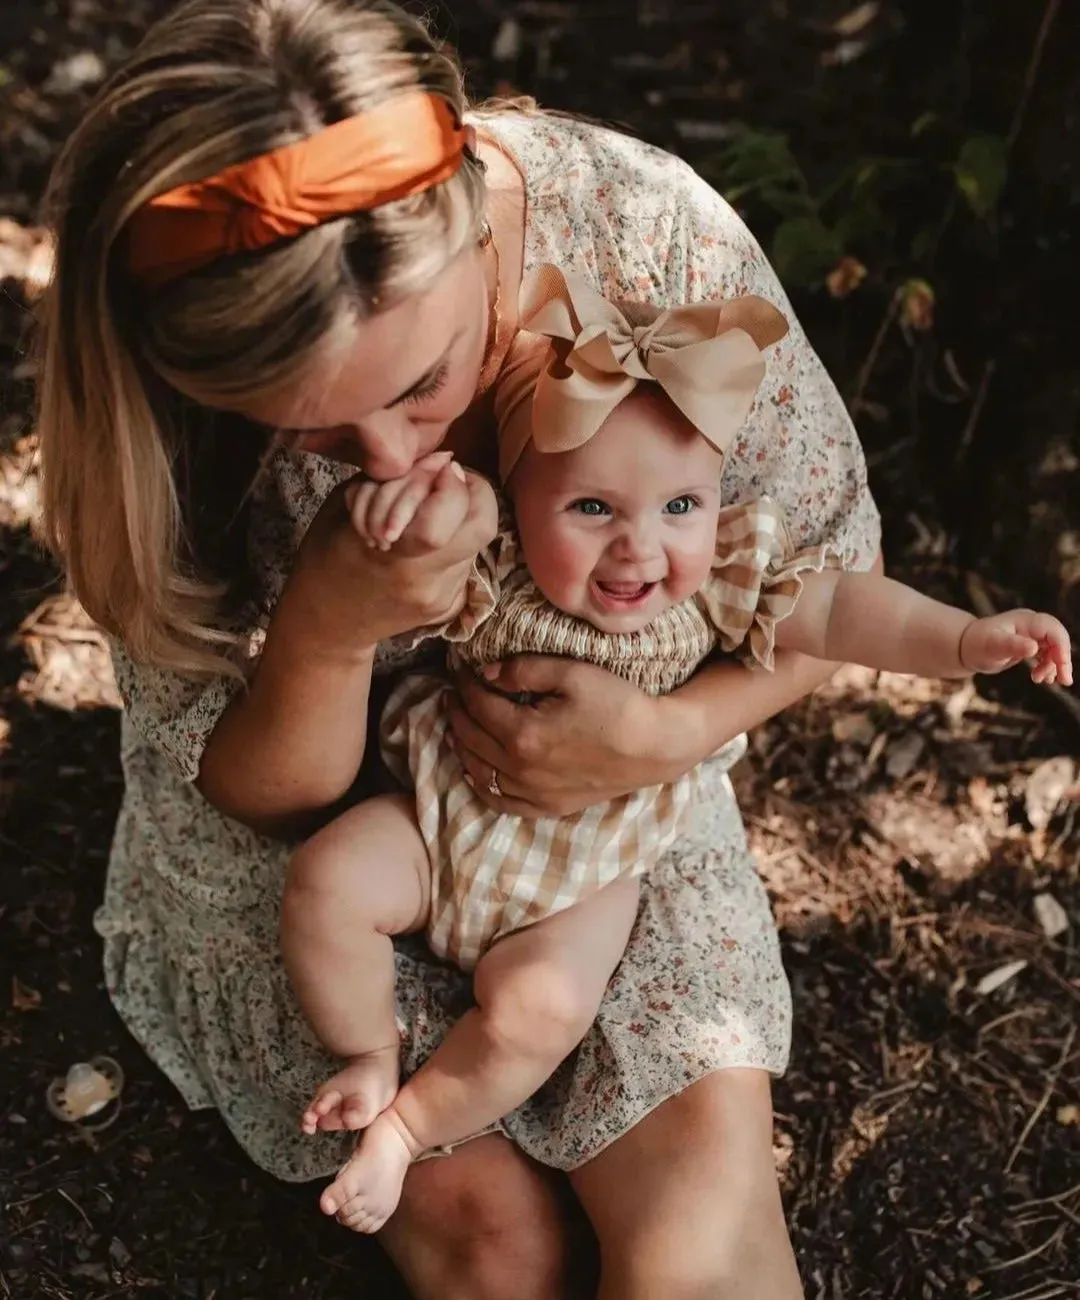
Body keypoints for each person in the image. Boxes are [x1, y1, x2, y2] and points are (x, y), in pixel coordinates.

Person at [35, 1, 889, 1295]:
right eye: (314, 436)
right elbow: (255, 799)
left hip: (604, 813)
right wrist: (325, 626)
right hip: (315, 857)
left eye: (423, 382)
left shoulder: (646, 242)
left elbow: (832, 572)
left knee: (699, 1245)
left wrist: (662, 733)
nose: (391, 459)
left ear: (471, 233)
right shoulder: (169, 407)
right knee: (501, 1254)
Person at [282, 263, 1071, 1234]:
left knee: (540, 1014)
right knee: (327, 882)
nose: (640, 548)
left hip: (583, 875)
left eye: (680, 508)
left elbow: (841, 606)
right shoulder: (495, 560)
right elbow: (419, 565)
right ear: (522, 494)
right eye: (593, 508)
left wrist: (962, 640)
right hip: (437, 818)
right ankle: (366, 1052)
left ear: (716, 503)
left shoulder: (724, 578)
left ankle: (405, 1128)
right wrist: (404, 521)